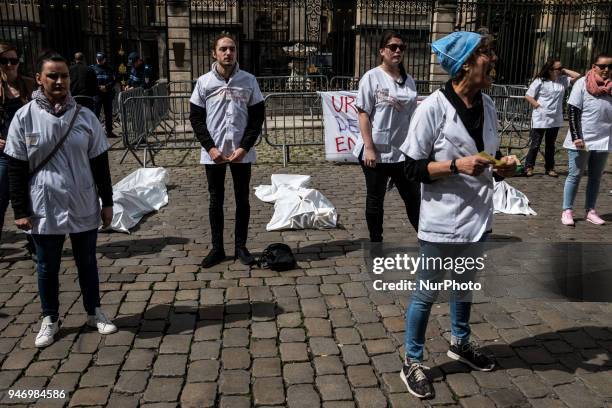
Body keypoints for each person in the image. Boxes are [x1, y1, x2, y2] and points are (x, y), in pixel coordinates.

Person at [400, 32, 517, 398]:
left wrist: (501, 167)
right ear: (466, 62)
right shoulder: (433, 108)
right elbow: (411, 170)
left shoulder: (490, 106)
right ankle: (413, 360)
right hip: (441, 220)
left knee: (464, 287)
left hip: (478, 218)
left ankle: (460, 343)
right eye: (486, 54)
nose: (493, 60)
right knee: (426, 294)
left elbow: (486, 159)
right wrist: (454, 165)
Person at [5, 51, 117, 348]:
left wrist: (107, 202)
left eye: (63, 75)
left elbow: (100, 164)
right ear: (39, 79)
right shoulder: (24, 117)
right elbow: (16, 166)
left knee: (87, 261)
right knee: (46, 265)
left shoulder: (85, 116)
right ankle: (50, 317)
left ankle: (94, 311)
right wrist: (20, 209)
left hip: (82, 200)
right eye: (52, 75)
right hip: (43, 204)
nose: (59, 81)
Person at [189, 34, 265, 268]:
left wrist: (244, 147)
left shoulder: (249, 80)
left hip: (241, 153)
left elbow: (257, 117)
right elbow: (196, 119)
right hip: (214, 154)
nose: (228, 53)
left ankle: (241, 247)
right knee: (216, 200)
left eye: (231, 48)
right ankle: (217, 248)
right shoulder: (203, 82)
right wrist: (210, 148)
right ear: (215, 53)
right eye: (223, 49)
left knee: (242, 200)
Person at [354, 30, 420, 242]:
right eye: (393, 47)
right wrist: (369, 147)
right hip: (377, 151)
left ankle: (427, 238)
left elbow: (412, 116)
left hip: (403, 151)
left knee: (413, 197)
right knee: (375, 199)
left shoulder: (409, 80)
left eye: (401, 47)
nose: (398, 51)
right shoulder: (371, 77)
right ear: (382, 51)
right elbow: (363, 113)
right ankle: (376, 240)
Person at [561, 53, 612, 226]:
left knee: (596, 177)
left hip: (604, 138)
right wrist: (576, 136)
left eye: (610, 67)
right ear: (594, 66)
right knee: (574, 175)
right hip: (582, 138)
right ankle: (567, 210)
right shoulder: (583, 83)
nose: (606, 70)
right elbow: (573, 110)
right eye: (602, 66)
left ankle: (590, 210)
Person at [0, 42, 35, 242]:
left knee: (30, 199)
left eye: (13, 60)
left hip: (28, 150)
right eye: (4, 61)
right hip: (4, 153)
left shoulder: (29, 85)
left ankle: (34, 243)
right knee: (1, 198)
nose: (9, 65)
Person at [524, 58, 580, 177]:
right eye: (558, 68)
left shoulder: (563, 80)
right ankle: (529, 167)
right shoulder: (540, 81)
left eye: (561, 68)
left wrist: (565, 70)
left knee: (551, 145)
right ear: (550, 70)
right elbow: (528, 96)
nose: (560, 70)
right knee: (535, 144)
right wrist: (538, 106)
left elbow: (580, 77)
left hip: (555, 117)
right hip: (541, 117)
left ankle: (550, 168)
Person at [91, 52, 119, 138]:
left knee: (108, 114)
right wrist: (98, 87)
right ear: (96, 59)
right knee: (95, 114)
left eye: (101, 59)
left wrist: (106, 87)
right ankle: (94, 133)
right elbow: (90, 81)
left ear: (104, 59)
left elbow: (114, 80)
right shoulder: (92, 69)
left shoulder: (110, 69)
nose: (99, 61)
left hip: (107, 94)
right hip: (97, 94)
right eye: (98, 60)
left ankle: (109, 131)